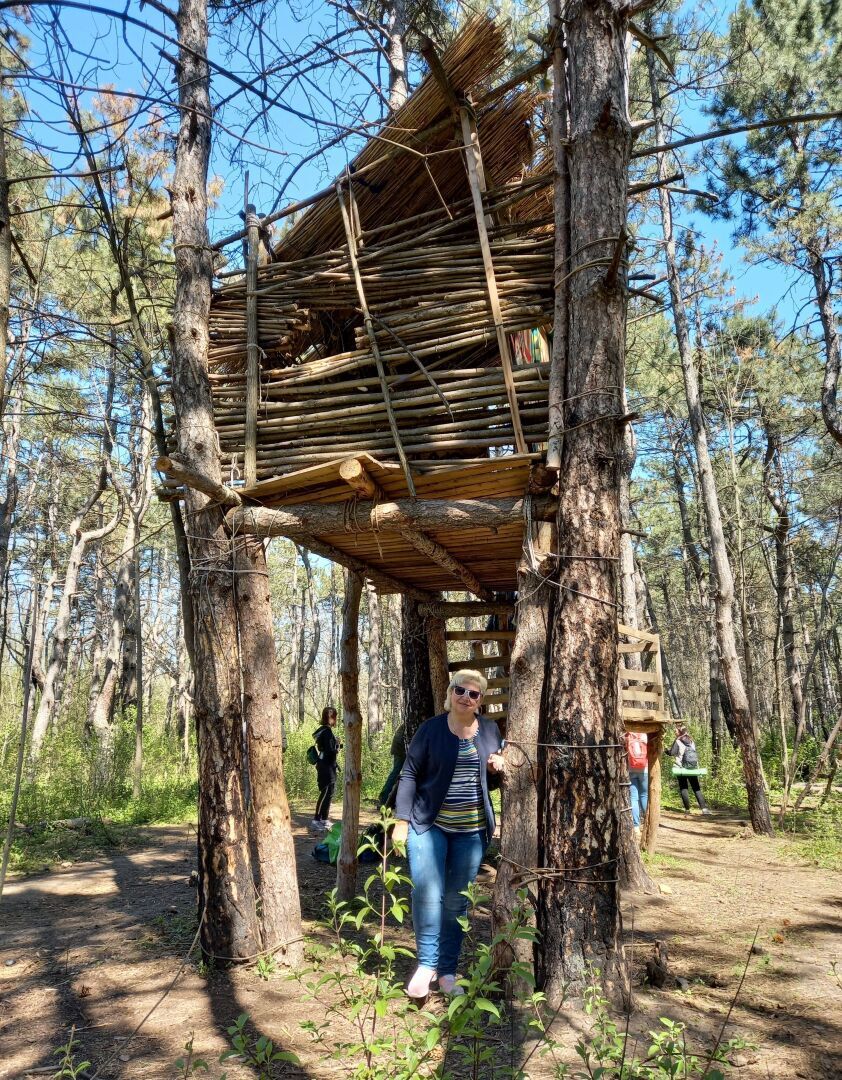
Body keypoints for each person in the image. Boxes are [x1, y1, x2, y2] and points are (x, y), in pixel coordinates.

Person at [393, 669, 506, 1000]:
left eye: (474, 694)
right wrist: (402, 821)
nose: (466, 698)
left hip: (471, 832)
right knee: (427, 895)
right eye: (461, 691)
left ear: (480, 701)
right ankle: (426, 965)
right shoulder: (431, 728)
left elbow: (494, 782)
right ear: (450, 693)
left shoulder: (489, 730)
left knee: (457, 901)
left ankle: (446, 973)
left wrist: (496, 767)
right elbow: (409, 774)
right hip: (428, 825)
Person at [311, 706, 342, 832]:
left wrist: (338, 744)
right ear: (330, 718)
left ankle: (324, 819)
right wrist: (338, 747)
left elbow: (328, 747)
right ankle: (316, 820)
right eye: (335, 717)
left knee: (329, 792)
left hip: (327, 764)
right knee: (325, 792)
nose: (336, 720)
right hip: (326, 766)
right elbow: (330, 751)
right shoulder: (327, 731)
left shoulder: (324, 730)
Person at [668, 723, 711, 814]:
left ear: (679, 731)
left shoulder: (678, 741)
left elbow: (672, 753)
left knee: (683, 787)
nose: (674, 731)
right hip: (693, 768)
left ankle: (687, 809)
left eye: (675, 730)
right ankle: (704, 809)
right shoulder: (691, 741)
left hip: (681, 768)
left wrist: (666, 751)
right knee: (696, 787)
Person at [624, 730, 649, 841]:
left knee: (633, 797)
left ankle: (636, 826)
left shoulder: (627, 735)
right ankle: (648, 821)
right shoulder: (645, 735)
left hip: (631, 769)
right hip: (644, 769)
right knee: (644, 795)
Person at [378, 722, 407, 809]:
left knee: (397, 772)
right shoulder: (415, 716)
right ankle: (384, 798)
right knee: (396, 772)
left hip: (401, 746)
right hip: (400, 747)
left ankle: (387, 798)